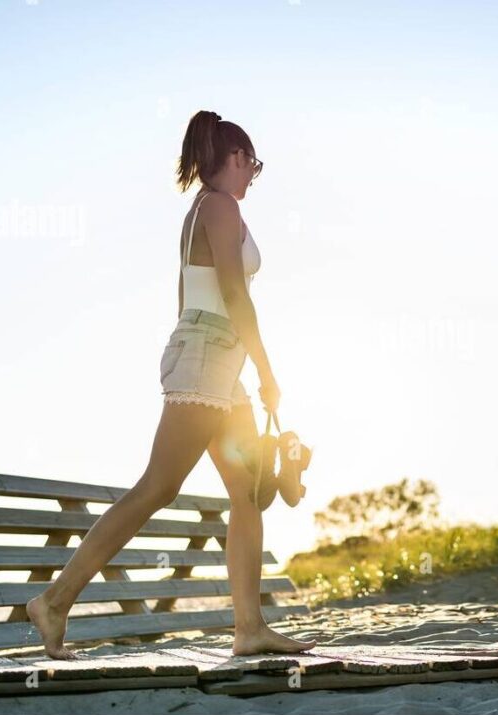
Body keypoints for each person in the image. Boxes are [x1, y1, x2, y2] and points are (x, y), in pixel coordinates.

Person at [26, 110, 317, 660]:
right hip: (211, 355)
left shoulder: (200, 211)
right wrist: (267, 370)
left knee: (249, 491)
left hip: (213, 355)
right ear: (235, 158)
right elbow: (235, 293)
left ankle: (249, 627)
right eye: (253, 162)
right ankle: (55, 601)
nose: (254, 173)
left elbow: (190, 298)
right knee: (158, 486)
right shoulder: (221, 206)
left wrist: (231, 362)